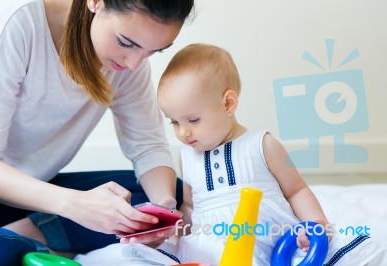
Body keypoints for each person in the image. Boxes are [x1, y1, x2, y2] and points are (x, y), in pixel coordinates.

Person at [0, 0, 194, 264]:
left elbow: (148, 146)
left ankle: (28, 236)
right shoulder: (18, 22)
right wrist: (73, 204)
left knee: (172, 194)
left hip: (37, 196)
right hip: (2, 191)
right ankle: (30, 242)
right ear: (96, 2)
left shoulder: (131, 60)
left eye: (155, 51)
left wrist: (161, 211)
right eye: (126, 43)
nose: (134, 63)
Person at [154, 43, 387, 265]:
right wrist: (178, 235)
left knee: (346, 253)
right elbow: (191, 207)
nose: (183, 132)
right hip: (215, 246)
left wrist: (316, 224)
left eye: (193, 120)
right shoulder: (187, 157)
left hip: (273, 241)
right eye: (174, 122)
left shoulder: (261, 144)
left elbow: (296, 190)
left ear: (228, 104)